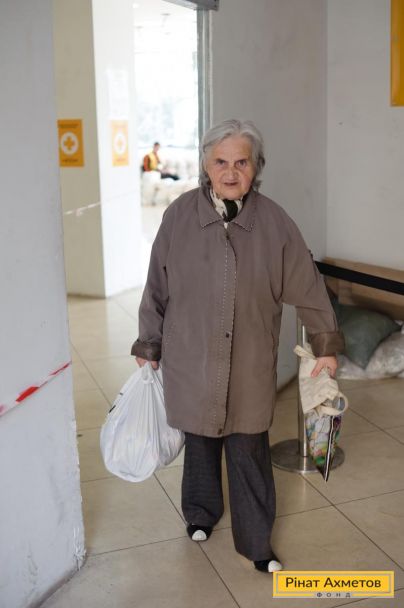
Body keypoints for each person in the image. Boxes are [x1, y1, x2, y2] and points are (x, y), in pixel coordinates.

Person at [131, 119, 344, 574]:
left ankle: (256, 542)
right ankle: (200, 514)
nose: (231, 172)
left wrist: (324, 342)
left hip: (249, 358)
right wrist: (148, 342)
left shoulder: (274, 222)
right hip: (191, 355)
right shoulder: (179, 216)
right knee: (200, 441)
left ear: (256, 166)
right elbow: (156, 286)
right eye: (221, 162)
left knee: (248, 446)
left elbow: (308, 287)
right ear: (206, 165)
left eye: (242, 162)